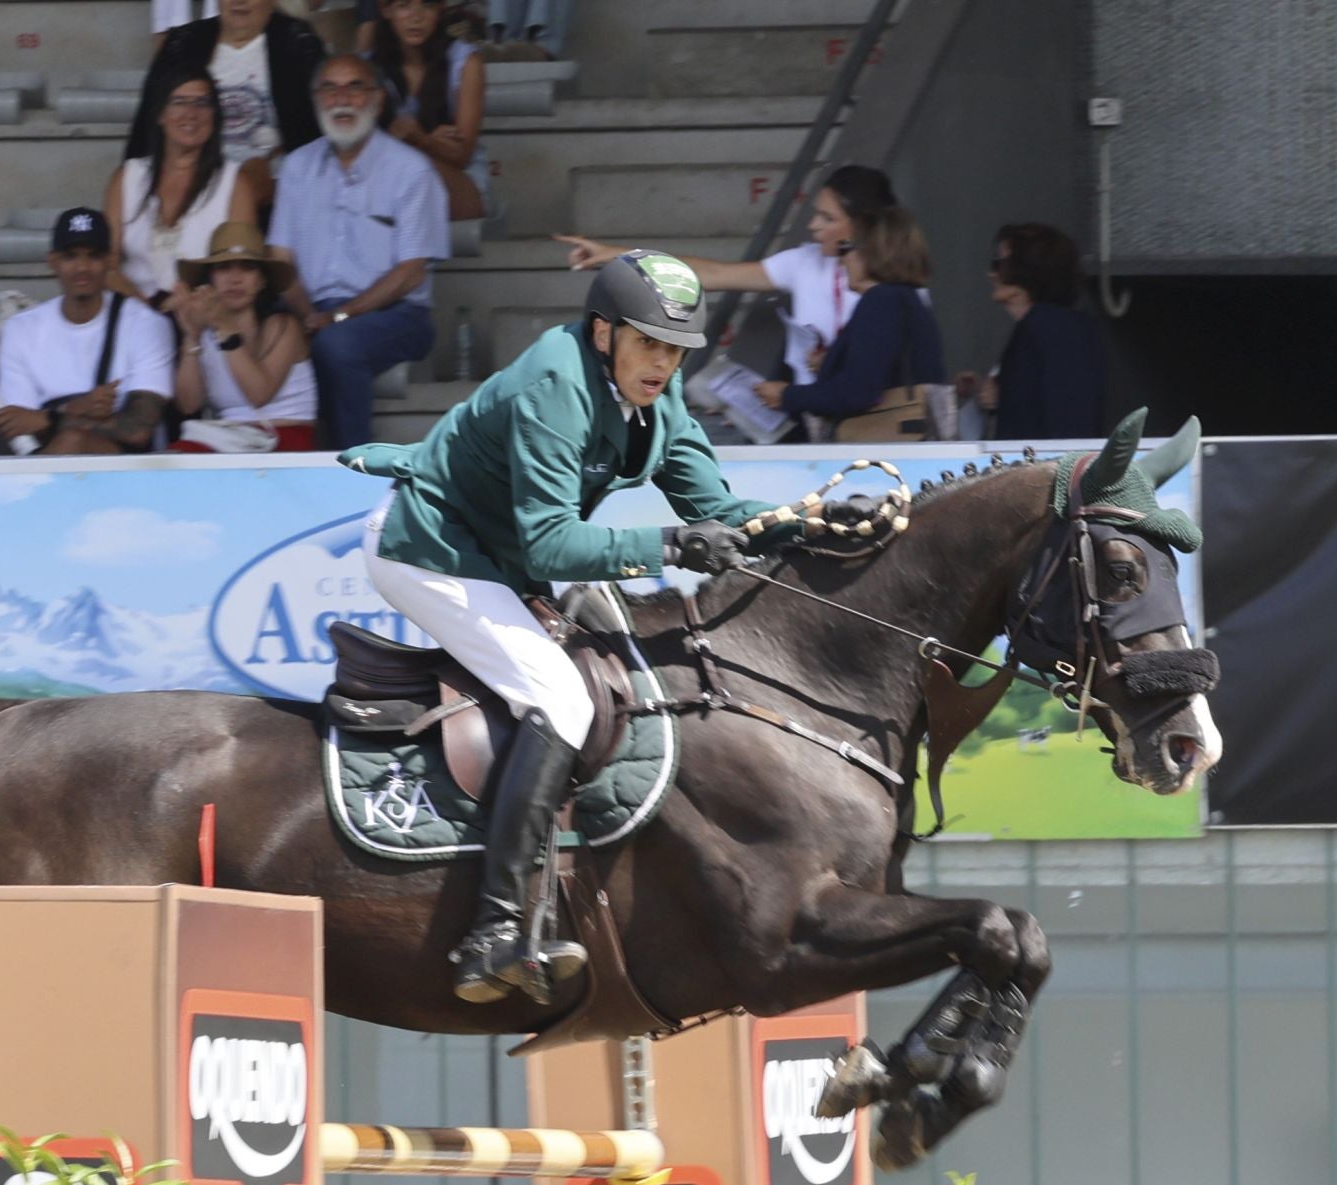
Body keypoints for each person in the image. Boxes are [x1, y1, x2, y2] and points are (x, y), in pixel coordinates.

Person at [337, 251, 863, 1003]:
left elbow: (717, 512)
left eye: (676, 350)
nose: (664, 364)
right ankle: (493, 930)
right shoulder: (556, 384)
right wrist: (669, 546)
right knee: (559, 699)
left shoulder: (659, 398)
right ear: (602, 333)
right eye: (649, 344)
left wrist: (809, 522)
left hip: (496, 555)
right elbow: (552, 545)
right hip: (430, 550)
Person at [558, 165, 902, 390]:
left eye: (828, 218)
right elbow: (715, 273)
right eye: (816, 214)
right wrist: (615, 255)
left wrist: (838, 360)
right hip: (813, 422)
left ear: (860, 223)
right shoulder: (803, 262)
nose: (813, 226)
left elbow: (887, 364)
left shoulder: (898, 281)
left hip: (876, 431)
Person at [268, 54, 447, 447]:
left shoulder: (411, 169)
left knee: (337, 344)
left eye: (355, 87)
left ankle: (351, 463)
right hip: (310, 309)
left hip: (396, 315)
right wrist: (307, 316)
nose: (342, 99)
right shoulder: (297, 166)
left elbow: (411, 271)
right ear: (316, 100)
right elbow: (280, 260)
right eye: (330, 89)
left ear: (378, 100)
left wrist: (340, 316)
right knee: (259, 332)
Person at [0, 208, 175, 454]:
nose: (82, 268)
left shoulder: (146, 325)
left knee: (73, 441)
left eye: (93, 256)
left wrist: (51, 418)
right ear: (53, 262)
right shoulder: (20, 329)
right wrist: (76, 409)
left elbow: (137, 430)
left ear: (110, 261)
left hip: (129, 469)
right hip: (46, 459)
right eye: (70, 256)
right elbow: (20, 427)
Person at [753, 206, 945, 426]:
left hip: (886, 440)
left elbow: (856, 393)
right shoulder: (904, 298)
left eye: (845, 247)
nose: (841, 260)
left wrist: (786, 396)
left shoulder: (882, 300)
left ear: (872, 252)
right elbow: (881, 368)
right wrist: (831, 362)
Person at [130, 0, 326, 207]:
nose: (239, 1)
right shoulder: (184, 44)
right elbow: (147, 133)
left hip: (277, 199)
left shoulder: (297, 42)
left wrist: (272, 183)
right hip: (193, 194)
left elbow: (317, 145)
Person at [106, 66, 259, 313]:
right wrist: (146, 313)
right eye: (179, 102)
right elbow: (106, 264)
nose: (191, 113)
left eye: (202, 103)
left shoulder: (234, 184)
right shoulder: (127, 177)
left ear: (215, 115)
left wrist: (182, 307)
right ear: (160, 114)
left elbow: (239, 272)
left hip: (205, 315)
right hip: (133, 313)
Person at [170, 221, 318, 451]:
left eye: (247, 268)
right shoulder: (207, 333)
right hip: (228, 439)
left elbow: (259, 395)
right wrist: (191, 336)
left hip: (284, 438)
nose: (235, 279)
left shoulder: (284, 326)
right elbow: (189, 404)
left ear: (262, 280)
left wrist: (225, 328)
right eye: (223, 268)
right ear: (210, 279)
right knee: (175, 459)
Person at [966, 222, 1107, 440]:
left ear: (1027, 269)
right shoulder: (1051, 327)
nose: (991, 274)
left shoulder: (1052, 329)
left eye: (999, 264)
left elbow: (1068, 420)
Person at [372, 0, 488, 220]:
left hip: (459, 182)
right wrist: (434, 143)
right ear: (386, 10)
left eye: (427, 5)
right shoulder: (367, 66)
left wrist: (421, 140)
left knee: (407, 173)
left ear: (440, 9)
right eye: (404, 5)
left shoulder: (465, 61)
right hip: (387, 178)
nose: (416, 17)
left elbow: (462, 156)